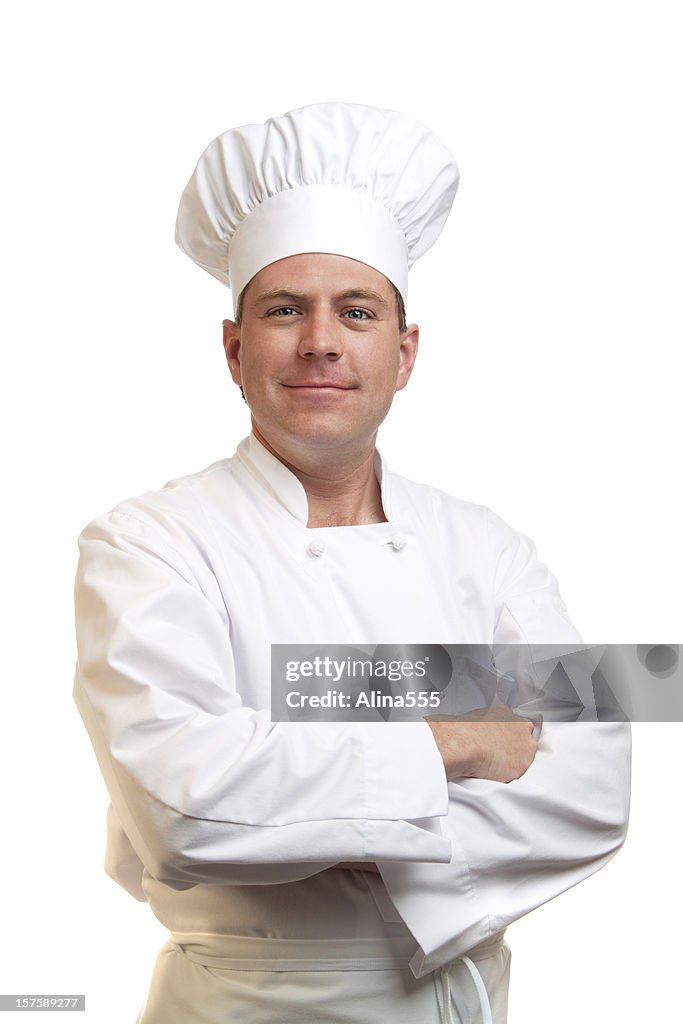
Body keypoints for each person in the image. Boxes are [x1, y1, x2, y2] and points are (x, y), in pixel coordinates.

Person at [73, 103, 631, 1024]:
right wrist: (456, 736)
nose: (320, 342)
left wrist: (299, 799)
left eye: (357, 311)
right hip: (250, 1002)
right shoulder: (146, 544)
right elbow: (184, 812)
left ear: (402, 353)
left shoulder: (488, 544)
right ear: (234, 348)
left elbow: (596, 787)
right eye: (284, 309)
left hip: (463, 996)